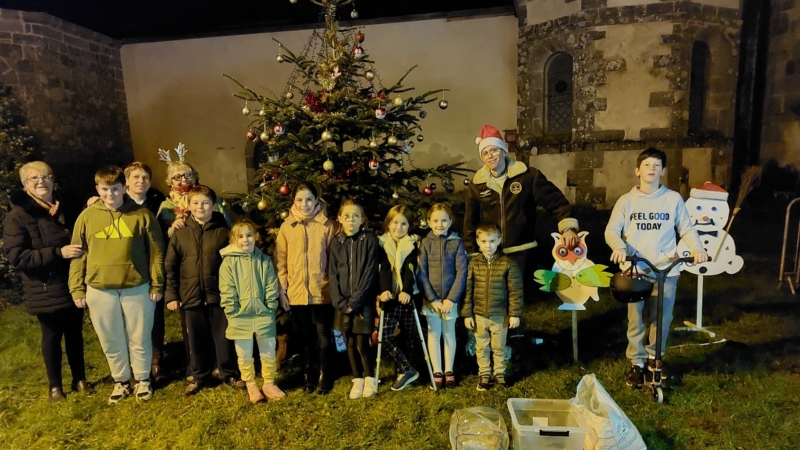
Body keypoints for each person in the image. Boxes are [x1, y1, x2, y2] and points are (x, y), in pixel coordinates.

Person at [605, 147, 708, 388]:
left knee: (662, 317)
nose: (651, 169)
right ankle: (637, 362)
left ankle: (655, 358)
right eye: (647, 165)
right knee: (636, 319)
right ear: (637, 171)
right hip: (635, 269)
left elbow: (686, 228)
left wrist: (697, 249)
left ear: (663, 171)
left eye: (657, 165)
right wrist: (619, 247)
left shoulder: (673, 199)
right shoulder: (626, 201)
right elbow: (612, 230)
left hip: (665, 269)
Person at [68, 166, 165, 404]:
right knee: (110, 338)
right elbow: (78, 254)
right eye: (105, 189)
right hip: (99, 288)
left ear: (124, 188)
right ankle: (120, 380)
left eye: (115, 189)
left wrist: (157, 284)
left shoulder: (142, 215)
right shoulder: (87, 217)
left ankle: (142, 378)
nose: (110, 194)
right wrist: (77, 287)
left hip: (136, 286)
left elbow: (156, 252)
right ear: (97, 189)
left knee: (139, 336)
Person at [2, 161, 94, 402]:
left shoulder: (67, 206)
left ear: (53, 181)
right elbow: (17, 256)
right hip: (44, 286)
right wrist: (57, 253)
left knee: (75, 333)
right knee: (52, 336)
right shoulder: (17, 217)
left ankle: (80, 379)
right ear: (25, 185)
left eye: (46, 177)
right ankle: (55, 386)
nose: (41, 182)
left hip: (71, 282)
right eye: (34, 178)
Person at [463, 125, 579, 287]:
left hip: (520, 250)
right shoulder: (477, 185)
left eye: (494, 150)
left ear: (503, 151)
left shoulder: (527, 177)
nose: (490, 156)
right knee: (493, 295)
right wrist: (472, 251)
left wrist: (568, 228)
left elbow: (556, 201)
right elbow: (471, 221)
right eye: (485, 153)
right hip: (491, 249)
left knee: (516, 293)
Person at [165, 185, 244, 395]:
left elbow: (235, 262)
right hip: (191, 295)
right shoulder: (180, 234)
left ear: (213, 205)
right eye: (196, 203)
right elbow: (171, 267)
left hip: (219, 294)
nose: (201, 207)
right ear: (189, 205)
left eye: (206, 203)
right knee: (196, 339)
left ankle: (229, 372)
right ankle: (200, 375)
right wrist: (172, 295)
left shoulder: (224, 232)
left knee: (224, 336)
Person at [156, 158, 227, 380]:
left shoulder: (215, 209)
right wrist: (171, 293)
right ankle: (196, 368)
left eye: (187, 175)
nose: (182, 180)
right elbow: (168, 256)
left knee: (221, 329)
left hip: (215, 283)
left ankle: (225, 367)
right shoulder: (167, 208)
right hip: (189, 279)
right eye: (177, 177)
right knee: (193, 331)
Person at [274, 183, 336, 394]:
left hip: (321, 290)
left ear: (316, 200)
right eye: (299, 200)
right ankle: (308, 373)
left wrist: (332, 287)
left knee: (323, 334)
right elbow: (280, 261)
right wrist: (282, 290)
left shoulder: (327, 226)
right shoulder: (287, 227)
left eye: (309, 199)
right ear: (293, 201)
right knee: (305, 336)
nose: (304, 204)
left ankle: (326, 374)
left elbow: (333, 260)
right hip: (297, 291)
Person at [219, 220, 286, 404]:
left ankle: (269, 383)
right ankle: (251, 385)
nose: (245, 240)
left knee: (268, 352)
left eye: (249, 235)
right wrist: (232, 311)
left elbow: (271, 285)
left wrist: (270, 307)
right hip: (240, 316)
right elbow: (227, 289)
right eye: (240, 236)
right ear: (234, 240)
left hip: (263, 314)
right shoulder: (228, 263)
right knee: (245, 355)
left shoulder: (264, 261)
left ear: (256, 237)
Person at [461, 223, 523, 391]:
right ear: (478, 242)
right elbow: (468, 290)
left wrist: (514, 314)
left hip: (500, 315)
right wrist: (467, 314)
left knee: (499, 346)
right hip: (479, 315)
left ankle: (500, 373)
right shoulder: (473, 264)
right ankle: (484, 374)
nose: (488, 245)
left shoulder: (508, 264)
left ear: (499, 240)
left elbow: (515, 291)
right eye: (484, 241)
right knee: (481, 346)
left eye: (492, 241)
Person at [329, 199, 379, 400]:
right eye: (347, 216)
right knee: (349, 342)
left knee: (362, 342)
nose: (351, 220)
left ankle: (370, 377)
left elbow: (369, 272)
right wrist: (340, 302)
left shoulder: (369, 240)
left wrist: (355, 301)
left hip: (362, 301)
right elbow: (333, 274)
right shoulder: (336, 242)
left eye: (356, 216)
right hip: (342, 302)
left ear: (362, 219)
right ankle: (357, 378)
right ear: (340, 218)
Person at [417, 203, 467, 389]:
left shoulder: (456, 242)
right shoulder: (425, 243)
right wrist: (432, 299)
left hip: (450, 300)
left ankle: (449, 370)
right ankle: (437, 371)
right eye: (436, 220)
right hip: (432, 300)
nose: (440, 224)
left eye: (444, 220)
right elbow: (422, 272)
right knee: (433, 333)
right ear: (429, 222)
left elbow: (461, 272)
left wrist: (452, 299)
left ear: (450, 222)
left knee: (449, 333)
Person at [377, 205, 422, 392]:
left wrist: (407, 290)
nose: (399, 227)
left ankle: (403, 373)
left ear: (409, 226)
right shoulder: (382, 243)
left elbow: (410, 269)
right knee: (385, 335)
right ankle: (407, 368)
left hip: (408, 294)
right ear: (388, 224)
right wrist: (385, 290)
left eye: (404, 224)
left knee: (409, 335)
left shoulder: (412, 244)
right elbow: (384, 269)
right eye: (395, 223)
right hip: (390, 296)